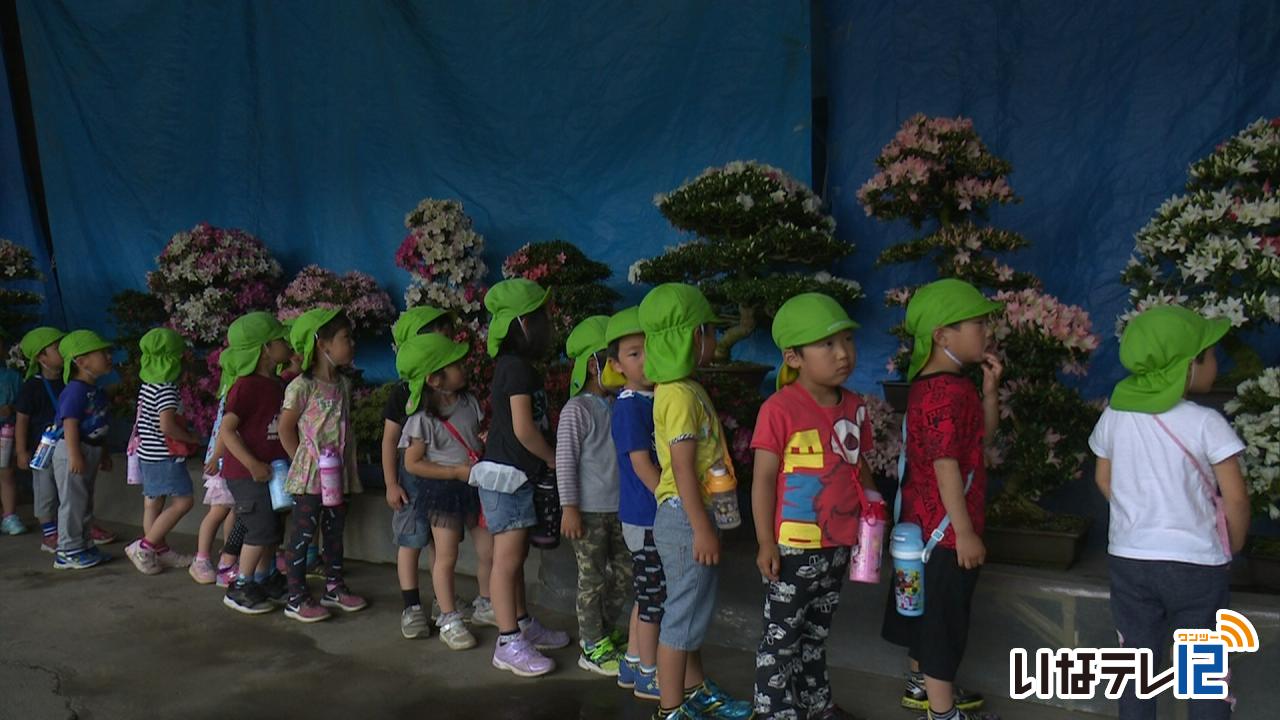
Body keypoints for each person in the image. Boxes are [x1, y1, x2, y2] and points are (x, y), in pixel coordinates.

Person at [1090, 305, 1249, 720]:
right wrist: (1234, 542)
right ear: (1187, 366)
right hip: (1197, 565)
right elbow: (1235, 497)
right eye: (1210, 355)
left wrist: (1137, 517)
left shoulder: (1114, 415)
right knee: (1204, 673)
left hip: (1130, 561)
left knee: (1136, 667)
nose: (1215, 363)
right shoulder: (1206, 423)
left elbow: (1104, 480)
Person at [880, 279, 1003, 720]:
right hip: (945, 535)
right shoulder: (944, 392)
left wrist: (989, 392)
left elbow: (980, 440)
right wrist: (966, 533)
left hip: (924, 531)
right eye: (976, 323)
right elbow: (946, 465)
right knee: (943, 624)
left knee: (925, 613)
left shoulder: (943, 385)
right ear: (941, 335)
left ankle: (922, 685)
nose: (985, 332)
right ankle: (944, 712)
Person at [750, 293, 874, 720]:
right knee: (782, 636)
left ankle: (817, 705)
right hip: (793, 547)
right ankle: (773, 710)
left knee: (817, 633)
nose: (843, 354)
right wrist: (765, 541)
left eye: (847, 341)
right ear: (794, 356)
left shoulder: (856, 407)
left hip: (840, 544)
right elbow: (763, 479)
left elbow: (862, 471)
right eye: (827, 344)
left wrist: (874, 515)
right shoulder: (779, 409)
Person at [639, 283, 752, 720]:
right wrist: (703, 526)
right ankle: (671, 709)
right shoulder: (681, 395)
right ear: (689, 336)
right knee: (681, 618)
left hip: (685, 515)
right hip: (687, 519)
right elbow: (683, 468)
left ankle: (694, 689)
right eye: (708, 331)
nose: (713, 341)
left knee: (688, 613)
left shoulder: (679, 387)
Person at [474, 278, 570, 677]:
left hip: (517, 476)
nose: (550, 324)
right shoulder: (516, 369)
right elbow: (523, 429)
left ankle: (523, 624)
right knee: (507, 561)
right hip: (508, 478)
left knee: (515, 558)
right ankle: (507, 641)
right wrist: (554, 460)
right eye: (543, 317)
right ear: (525, 325)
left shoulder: (519, 367)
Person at [393, 332, 491, 649]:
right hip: (443, 491)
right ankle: (448, 617)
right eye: (455, 364)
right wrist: (453, 472)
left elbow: (474, 436)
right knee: (445, 557)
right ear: (435, 380)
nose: (464, 367)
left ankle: (487, 602)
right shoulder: (422, 420)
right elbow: (412, 463)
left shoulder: (470, 403)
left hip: (474, 485)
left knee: (488, 550)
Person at [279, 308, 367, 622]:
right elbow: (286, 428)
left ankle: (334, 586)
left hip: (337, 474)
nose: (351, 343)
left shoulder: (343, 384)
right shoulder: (301, 387)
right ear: (322, 344)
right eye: (346, 338)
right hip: (311, 476)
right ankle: (296, 596)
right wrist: (301, 463)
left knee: (334, 531)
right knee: (303, 534)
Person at [558, 315, 632, 676]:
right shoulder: (576, 410)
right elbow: (566, 463)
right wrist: (569, 507)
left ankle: (603, 630)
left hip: (620, 509)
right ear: (593, 364)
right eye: (613, 358)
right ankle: (591, 644)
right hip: (587, 512)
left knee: (626, 571)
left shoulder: (620, 403)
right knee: (592, 577)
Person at [605, 306, 663, 701]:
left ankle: (631, 662)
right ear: (616, 364)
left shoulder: (651, 398)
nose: (644, 360)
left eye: (649, 349)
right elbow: (641, 462)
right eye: (633, 353)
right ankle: (649, 672)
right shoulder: (629, 405)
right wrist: (674, 501)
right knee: (654, 597)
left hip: (648, 514)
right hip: (647, 516)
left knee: (646, 593)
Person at [218, 312, 293, 614]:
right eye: (280, 340)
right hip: (248, 474)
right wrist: (251, 463)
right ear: (265, 349)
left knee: (272, 527)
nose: (287, 344)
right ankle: (241, 585)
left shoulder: (274, 383)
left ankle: (265, 576)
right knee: (259, 529)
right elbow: (227, 429)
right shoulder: (245, 386)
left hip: (270, 472)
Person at [124, 328, 202, 574]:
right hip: (164, 456)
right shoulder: (167, 389)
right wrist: (189, 437)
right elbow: (166, 425)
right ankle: (145, 547)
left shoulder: (147, 386)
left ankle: (159, 551)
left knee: (153, 505)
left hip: (147, 455)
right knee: (184, 501)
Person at [50, 330, 116, 570]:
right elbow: (69, 423)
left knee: (85, 500)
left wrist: (104, 453)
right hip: (73, 450)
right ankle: (67, 550)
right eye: (102, 353)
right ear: (81, 361)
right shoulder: (75, 390)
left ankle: (84, 544)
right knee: (73, 501)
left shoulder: (94, 390)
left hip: (89, 450)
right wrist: (75, 454)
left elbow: (99, 424)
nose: (109, 357)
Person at [0, 331, 25, 535]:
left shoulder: (12, 377)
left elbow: (22, 408)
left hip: (6, 432)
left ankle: (9, 516)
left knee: (6, 472)